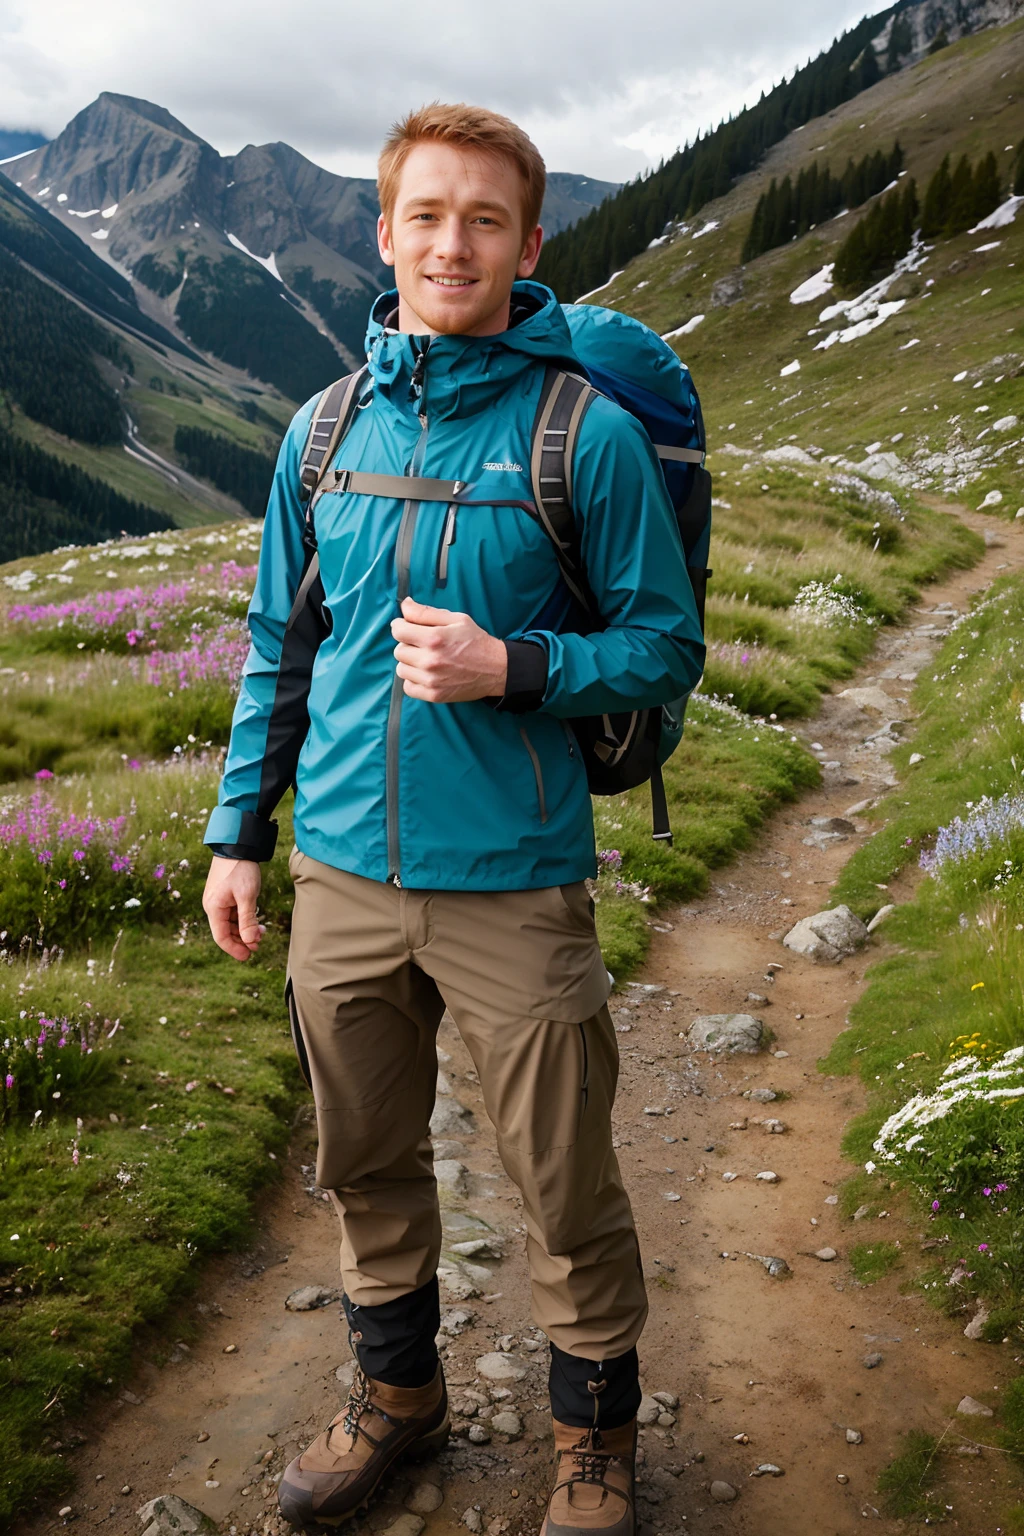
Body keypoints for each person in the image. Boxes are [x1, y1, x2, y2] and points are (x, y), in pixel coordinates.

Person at [201, 101, 705, 1536]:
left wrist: (517, 667)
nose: (452, 242)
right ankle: (398, 1400)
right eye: (427, 214)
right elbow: (276, 647)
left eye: (485, 218)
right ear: (386, 234)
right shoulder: (321, 432)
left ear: (528, 244)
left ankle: (592, 1444)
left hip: (516, 881)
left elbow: (665, 648)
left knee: (562, 1179)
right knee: (362, 1160)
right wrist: (242, 835)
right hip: (340, 877)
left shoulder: (583, 435)